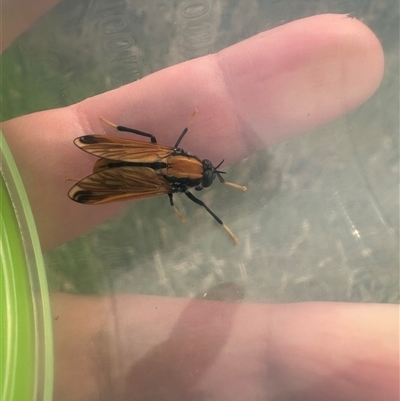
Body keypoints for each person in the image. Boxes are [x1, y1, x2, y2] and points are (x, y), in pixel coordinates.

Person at [2, 10, 398, 401]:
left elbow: (169, 152)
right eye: (208, 170)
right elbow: (177, 184)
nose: (207, 169)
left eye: (207, 170)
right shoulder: (176, 183)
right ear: (196, 173)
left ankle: (100, 174)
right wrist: (174, 194)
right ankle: (110, 184)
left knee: (145, 153)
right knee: (137, 178)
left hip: (143, 163)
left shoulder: (175, 155)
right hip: (148, 174)